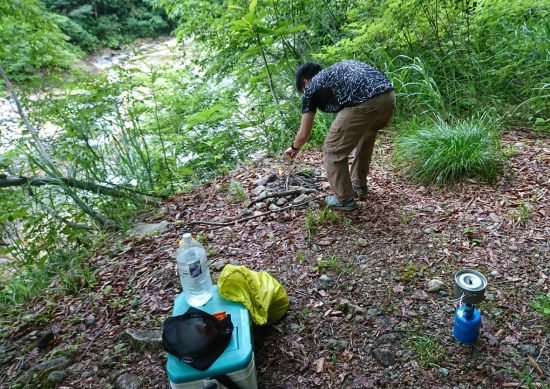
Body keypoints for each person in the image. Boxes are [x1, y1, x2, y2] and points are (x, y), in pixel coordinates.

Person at [284, 60, 395, 211]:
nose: (305, 93)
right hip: (388, 97)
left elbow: (304, 134)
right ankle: (359, 185)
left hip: (366, 101)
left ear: (305, 82)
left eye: (303, 90)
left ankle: (344, 200)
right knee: (365, 137)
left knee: (332, 149)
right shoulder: (334, 74)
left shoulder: (311, 87)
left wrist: (294, 148)